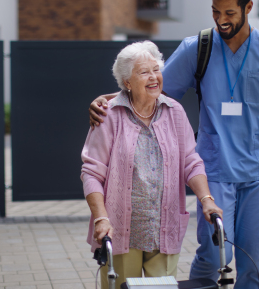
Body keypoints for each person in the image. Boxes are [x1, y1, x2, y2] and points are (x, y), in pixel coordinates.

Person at [89, 0, 259, 289]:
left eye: (230, 13)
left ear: (249, 8)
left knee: (255, 258)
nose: (221, 20)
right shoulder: (198, 48)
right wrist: (106, 100)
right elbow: (152, 88)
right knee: (217, 251)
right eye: (216, 12)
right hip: (215, 167)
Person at [81, 41, 223, 289]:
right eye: (144, 72)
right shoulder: (108, 115)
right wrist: (101, 218)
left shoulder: (174, 112)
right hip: (120, 229)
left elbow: (191, 160)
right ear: (127, 82)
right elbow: (92, 172)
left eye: (156, 69)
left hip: (164, 228)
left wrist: (206, 198)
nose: (154, 77)